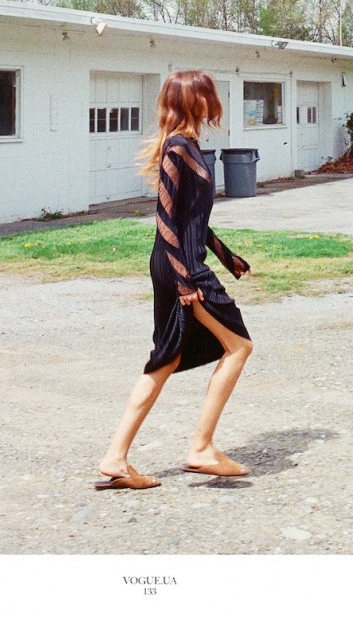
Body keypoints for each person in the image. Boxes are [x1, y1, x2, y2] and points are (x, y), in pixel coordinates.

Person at [95, 70, 253, 490]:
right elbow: (164, 218)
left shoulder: (190, 146)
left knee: (165, 359)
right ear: (193, 100)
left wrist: (227, 257)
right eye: (208, 94)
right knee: (239, 346)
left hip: (179, 261)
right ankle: (201, 449)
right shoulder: (178, 148)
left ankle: (115, 458)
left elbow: (192, 219)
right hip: (180, 266)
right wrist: (186, 281)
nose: (213, 100)